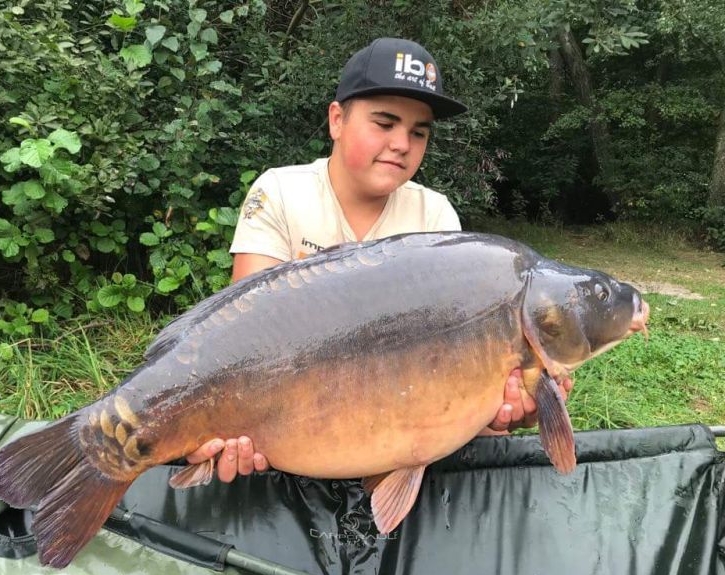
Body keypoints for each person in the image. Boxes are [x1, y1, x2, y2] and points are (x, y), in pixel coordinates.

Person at [186, 37, 572, 482]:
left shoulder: (434, 218)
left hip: (392, 428)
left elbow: (448, 383)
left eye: (418, 132)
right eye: (385, 123)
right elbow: (241, 339)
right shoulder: (281, 192)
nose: (402, 143)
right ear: (336, 119)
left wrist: (501, 409)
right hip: (287, 428)